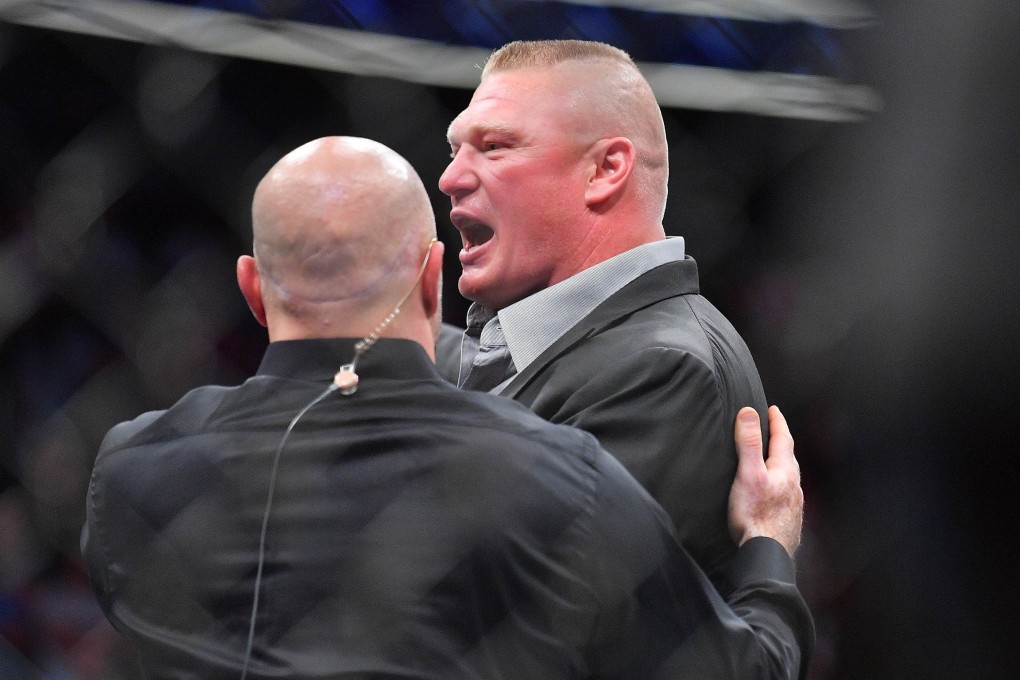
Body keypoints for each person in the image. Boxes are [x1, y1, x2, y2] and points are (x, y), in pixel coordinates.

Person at [82, 136, 811, 679]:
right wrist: (768, 548)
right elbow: (745, 670)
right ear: (434, 277)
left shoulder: (132, 469)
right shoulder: (557, 477)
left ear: (250, 290)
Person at [440, 39, 769, 586]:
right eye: (454, 150)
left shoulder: (659, 370)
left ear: (605, 169)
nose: (452, 178)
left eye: (494, 146)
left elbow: (533, 622)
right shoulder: (564, 343)